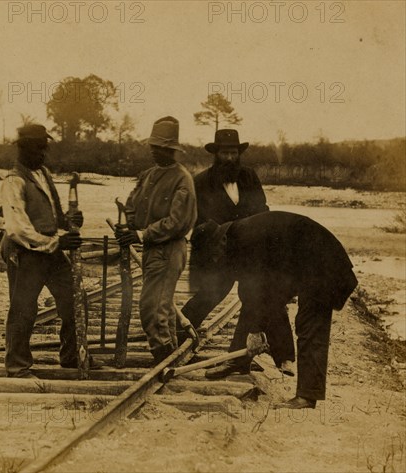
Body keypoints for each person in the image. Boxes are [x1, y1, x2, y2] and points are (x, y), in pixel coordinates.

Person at [191, 211, 358, 409]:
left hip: (323, 268)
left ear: (220, 242)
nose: (216, 260)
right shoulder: (233, 236)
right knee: (255, 303)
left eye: (214, 255)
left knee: (309, 326)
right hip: (304, 265)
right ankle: (238, 359)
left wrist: (255, 331)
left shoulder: (246, 238)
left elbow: (260, 287)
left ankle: (306, 396)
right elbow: (241, 290)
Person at [181, 129, 295, 376]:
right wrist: (217, 230)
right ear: (216, 154)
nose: (230, 158)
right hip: (218, 252)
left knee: (262, 295)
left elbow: (263, 209)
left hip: (250, 250)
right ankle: (176, 337)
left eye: (234, 152)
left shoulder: (249, 177)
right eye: (225, 153)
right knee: (210, 295)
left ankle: (280, 357)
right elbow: (196, 220)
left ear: (239, 154)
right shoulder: (201, 182)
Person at [0, 124, 98, 378]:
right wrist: (56, 243)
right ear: (23, 149)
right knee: (23, 308)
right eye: (37, 149)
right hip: (25, 252)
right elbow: (17, 229)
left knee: (74, 298)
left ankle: (72, 355)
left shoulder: (43, 174)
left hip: (50, 250)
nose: (42, 154)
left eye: (44, 148)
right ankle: (18, 366)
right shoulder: (14, 181)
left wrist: (70, 220)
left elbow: (54, 218)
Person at [115, 116, 197, 364]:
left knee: (152, 307)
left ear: (170, 149)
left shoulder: (182, 179)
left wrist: (142, 234)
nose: (153, 151)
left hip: (169, 249)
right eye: (152, 146)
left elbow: (178, 221)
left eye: (158, 147)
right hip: (153, 249)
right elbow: (132, 205)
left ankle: (164, 358)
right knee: (162, 306)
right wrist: (127, 224)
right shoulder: (148, 175)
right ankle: (171, 352)